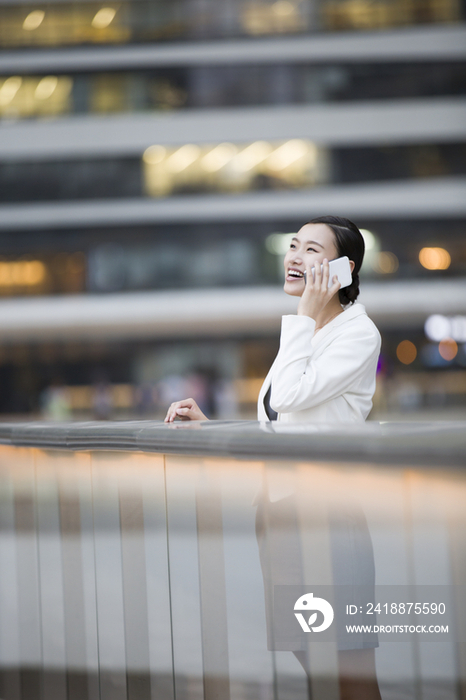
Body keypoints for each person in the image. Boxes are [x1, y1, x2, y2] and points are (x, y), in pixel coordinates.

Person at [165, 216, 382, 699]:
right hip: (282, 517)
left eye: (311, 250)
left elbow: (287, 395)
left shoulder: (357, 334)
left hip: (328, 521)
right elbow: (281, 425)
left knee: (350, 676)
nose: (294, 257)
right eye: (292, 246)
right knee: (316, 670)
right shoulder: (308, 335)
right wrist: (212, 427)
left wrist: (304, 317)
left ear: (344, 270)